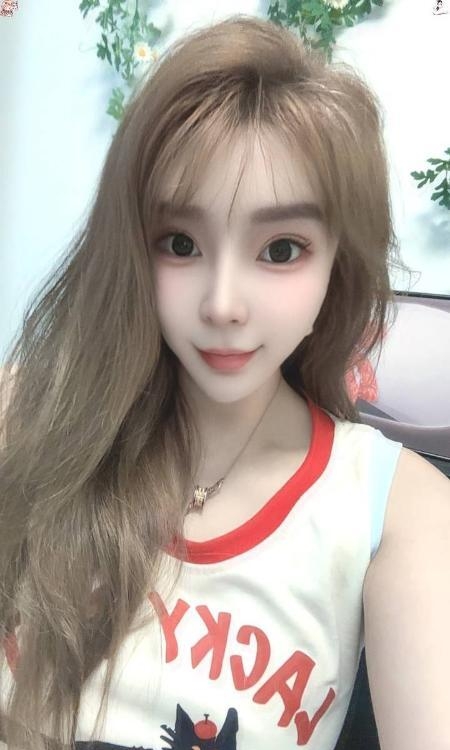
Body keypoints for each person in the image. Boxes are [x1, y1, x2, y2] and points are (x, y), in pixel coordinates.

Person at [0, 14, 449, 750]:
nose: (222, 305)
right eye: (181, 243)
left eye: (281, 249)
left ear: (337, 264)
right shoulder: (24, 413)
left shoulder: (399, 509)